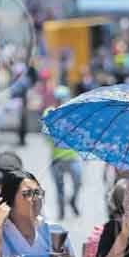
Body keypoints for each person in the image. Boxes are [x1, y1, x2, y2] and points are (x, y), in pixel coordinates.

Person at [46, 86, 83, 220]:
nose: (61, 102)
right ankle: (61, 212)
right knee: (59, 188)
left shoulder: (74, 113)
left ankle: (73, 201)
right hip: (57, 159)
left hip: (73, 157)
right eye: (59, 99)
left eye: (63, 99)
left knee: (78, 182)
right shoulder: (49, 112)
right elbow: (47, 132)